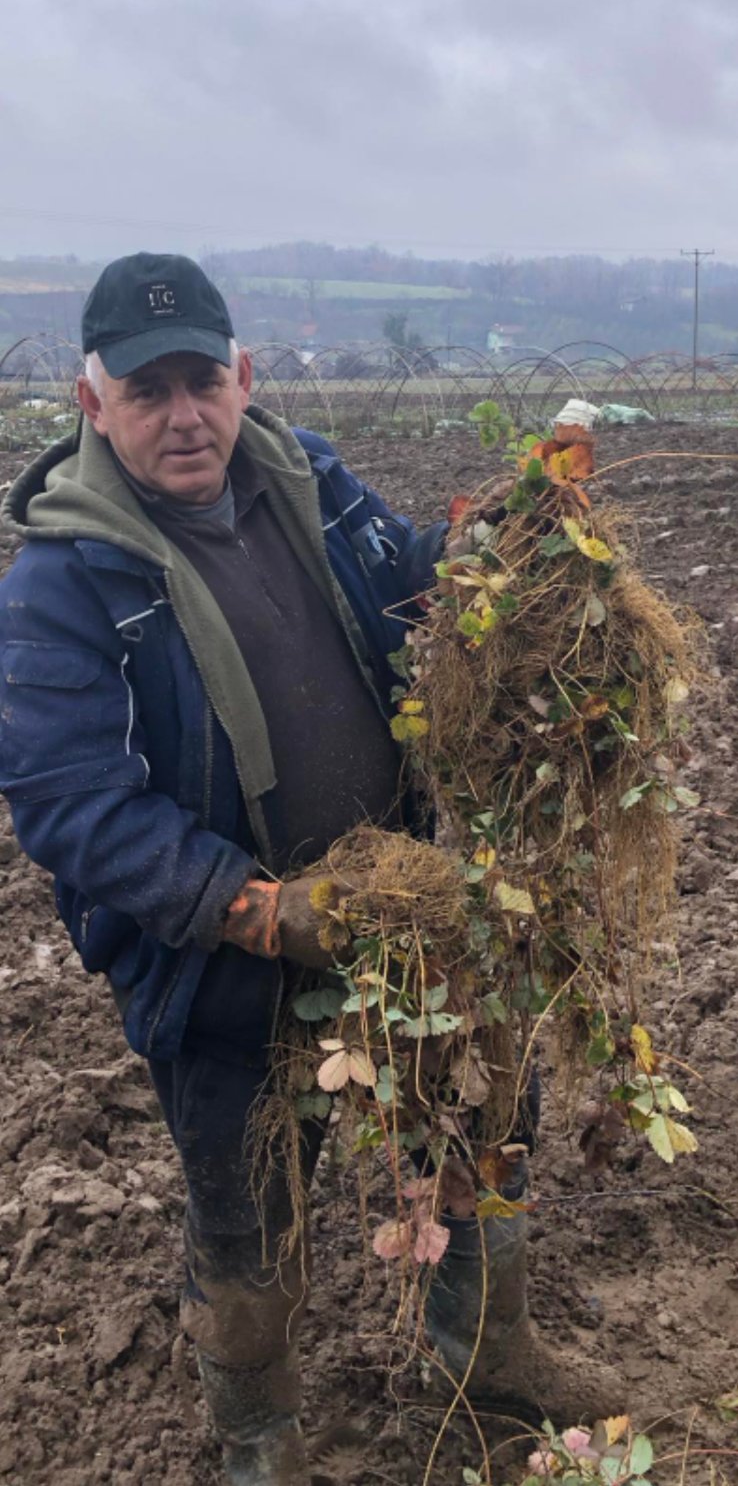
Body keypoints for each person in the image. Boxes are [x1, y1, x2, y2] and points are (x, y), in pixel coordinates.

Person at [0, 254, 616, 1486]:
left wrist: (507, 561)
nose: (183, 416)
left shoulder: (309, 480)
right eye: (146, 391)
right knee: (251, 1217)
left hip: (404, 916)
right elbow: (75, 807)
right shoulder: (58, 587)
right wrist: (262, 910)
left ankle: (485, 1356)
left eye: (200, 383)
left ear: (242, 375)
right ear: (91, 401)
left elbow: (414, 597)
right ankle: (260, 1439)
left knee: (486, 1124)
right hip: (225, 971)